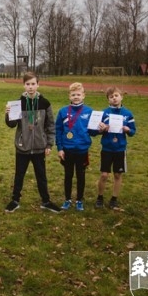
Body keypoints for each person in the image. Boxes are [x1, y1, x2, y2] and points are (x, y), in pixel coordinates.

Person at [4, 72, 62, 213]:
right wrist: (7, 114)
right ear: (24, 85)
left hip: (39, 147)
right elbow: (11, 124)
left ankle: (46, 201)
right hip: (22, 147)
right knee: (19, 175)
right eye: (28, 84)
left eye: (33, 84)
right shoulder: (18, 103)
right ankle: (15, 200)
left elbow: (50, 125)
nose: (30, 87)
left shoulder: (45, 103)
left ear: (38, 84)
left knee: (41, 176)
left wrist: (49, 144)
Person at [55, 82, 98, 211]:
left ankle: (79, 199)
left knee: (81, 175)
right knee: (68, 175)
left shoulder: (89, 111)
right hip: (67, 150)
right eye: (73, 94)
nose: (76, 97)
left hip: (82, 150)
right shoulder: (63, 111)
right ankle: (67, 199)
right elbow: (58, 131)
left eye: (78, 94)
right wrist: (60, 148)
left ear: (83, 95)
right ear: (69, 96)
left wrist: (99, 129)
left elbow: (93, 132)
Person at [95, 86, 137, 209]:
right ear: (108, 100)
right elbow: (97, 130)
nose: (114, 98)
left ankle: (114, 198)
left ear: (121, 97)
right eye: (111, 97)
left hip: (120, 149)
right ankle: (100, 197)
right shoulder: (104, 113)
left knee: (118, 175)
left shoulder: (127, 114)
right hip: (107, 148)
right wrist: (102, 129)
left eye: (116, 96)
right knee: (104, 175)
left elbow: (133, 131)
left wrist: (128, 130)